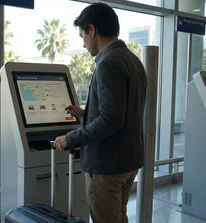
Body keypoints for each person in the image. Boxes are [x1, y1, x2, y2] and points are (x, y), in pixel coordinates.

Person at [53, 2, 147, 223]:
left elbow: (111, 120)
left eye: (82, 35)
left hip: (107, 164)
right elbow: (122, 108)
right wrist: (85, 112)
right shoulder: (133, 60)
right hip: (128, 161)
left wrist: (70, 138)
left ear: (92, 30)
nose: (84, 44)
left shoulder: (108, 62)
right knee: (119, 217)